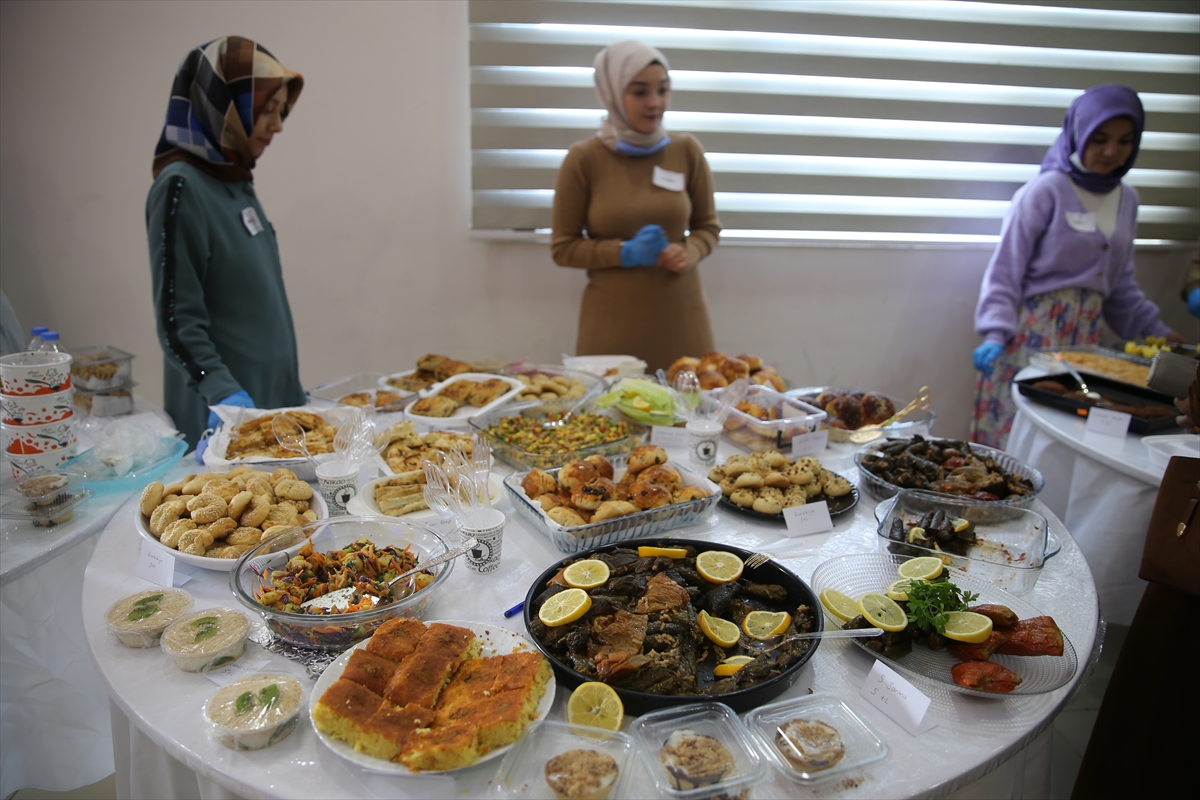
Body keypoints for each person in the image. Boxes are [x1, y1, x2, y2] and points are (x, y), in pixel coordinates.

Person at [970, 84, 1185, 448]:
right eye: (1099, 139)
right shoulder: (1046, 191)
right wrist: (994, 332)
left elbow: (1120, 287)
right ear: (1077, 133)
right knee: (1015, 436)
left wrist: (1158, 335)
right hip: (1029, 338)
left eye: (1124, 141)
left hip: (1085, 341)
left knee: (1066, 437)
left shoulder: (1127, 199)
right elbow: (1006, 270)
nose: (1111, 151)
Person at [145, 36, 306, 450]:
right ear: (225, 107)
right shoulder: (182, 187)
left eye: (280, 110)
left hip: (269, 411)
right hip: (226, 421)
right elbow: (177, 321)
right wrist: (222, 393)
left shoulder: (235, 183)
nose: (278, 124)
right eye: (267, 110)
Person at [551, 40, 720, 372]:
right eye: (640, 92)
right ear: (612, 93)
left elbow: (708, 227)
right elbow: (563, 248)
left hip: (683, 323)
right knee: (610, 404)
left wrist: (690, 251)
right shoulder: (584, 159)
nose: (655, 103)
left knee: (691, 403)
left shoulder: (686, 150)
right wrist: (624, 252)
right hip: (611, 330)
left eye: (663, 90)